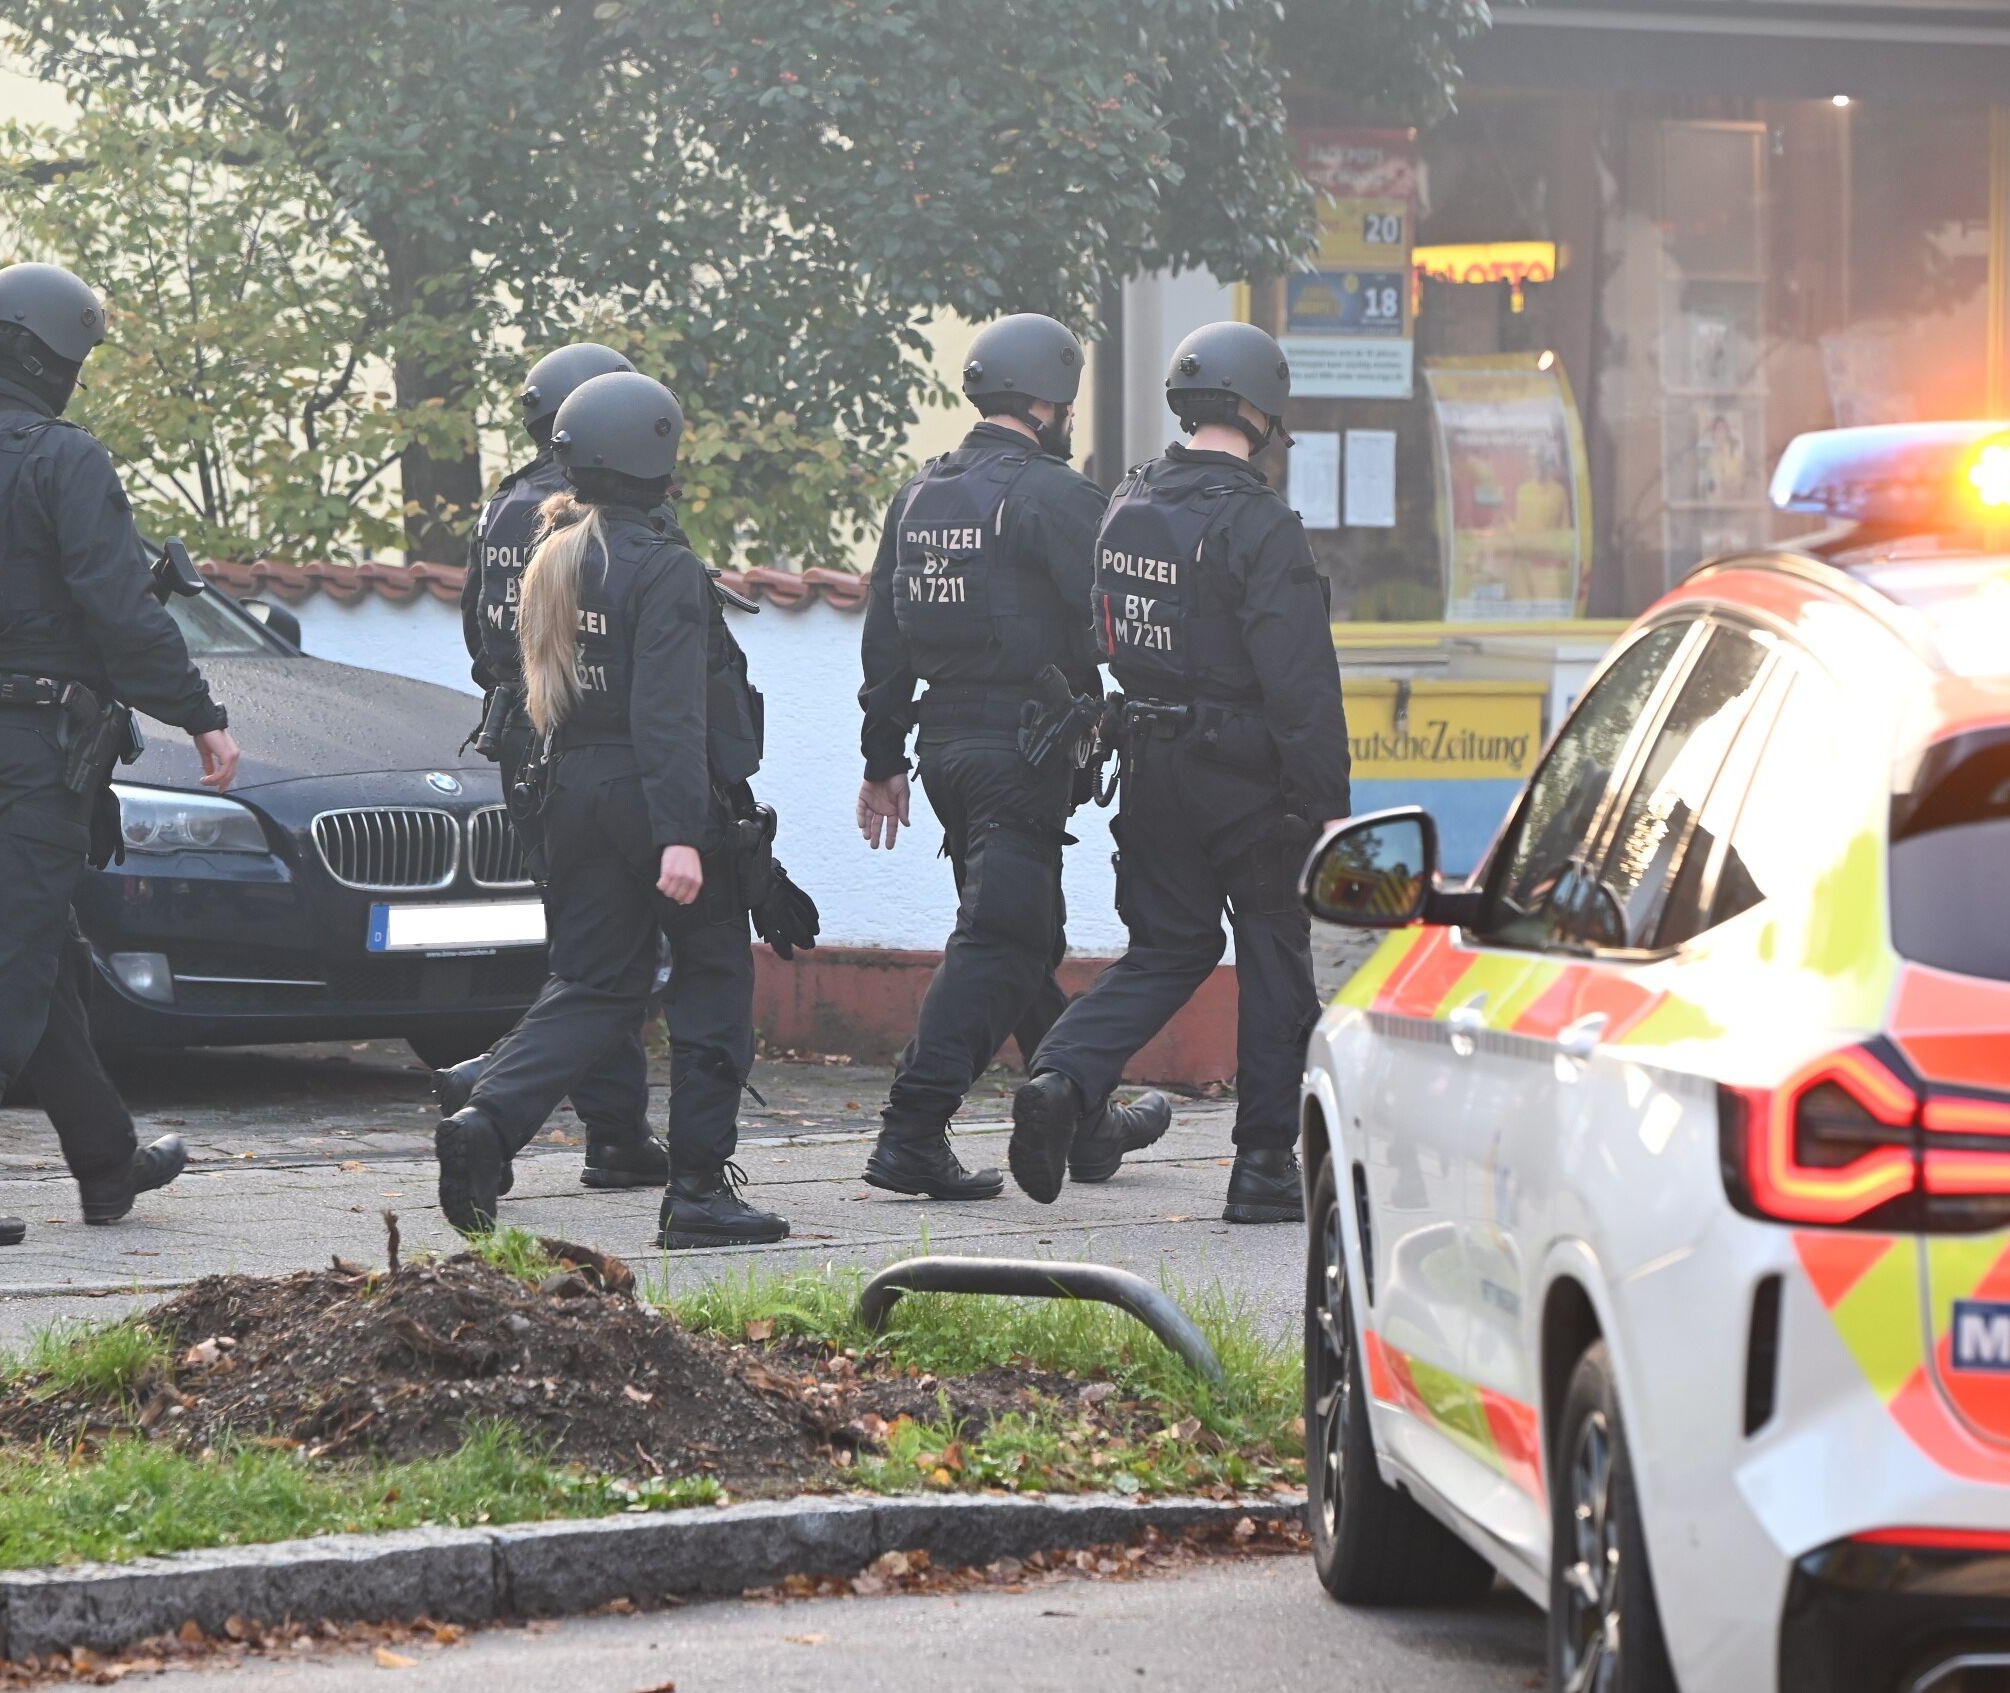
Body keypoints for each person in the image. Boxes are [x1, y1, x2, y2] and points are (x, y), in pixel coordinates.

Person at [434, 371, 789, 1249]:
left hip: (574, 791)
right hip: (655, 798)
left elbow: (540, 688)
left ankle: (487, 1122)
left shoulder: (559, 552)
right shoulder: (663, 568)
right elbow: (669, 714)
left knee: (594, 983)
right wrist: (681, 835)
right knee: (713, 985)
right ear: (656, 455)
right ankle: (701, 1193)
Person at [1009, 322, 1350, 1224]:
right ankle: (1265, 1168)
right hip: (1248, 778)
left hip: (1150, 760)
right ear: (1259, 411)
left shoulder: (1126, 501)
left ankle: (1061, 1076)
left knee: (1169, 946)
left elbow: (1104, 627)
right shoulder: (1262, 524)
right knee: (1276, 959)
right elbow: (1302, 686)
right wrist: (1325, 806)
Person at [0, 262, 234, 1245]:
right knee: (1, 951)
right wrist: (201, 713)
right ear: (57, 356)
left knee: (37, 947)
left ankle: (108, 1162)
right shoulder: (66, 460)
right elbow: (121, 612)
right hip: (38, 745)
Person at [856, 314, 1173, 1201]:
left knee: (1026, 932)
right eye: (1066, 403)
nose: (1070, 418)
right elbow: (1120, 620)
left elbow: (885, 641)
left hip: (946, 752)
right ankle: (911, 1132)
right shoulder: (1051, 495)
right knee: (1000, 937)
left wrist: (884, 760)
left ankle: (1087, 1122)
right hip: (1019, 755)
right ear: (1045, 401)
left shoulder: (920, 497)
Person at [436, 341, 670, 1193]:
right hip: (597, 745)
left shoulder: (502, 511)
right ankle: (505, 1090)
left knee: (583, 942)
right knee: (611, 954)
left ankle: (614, 1133)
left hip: (518, 741)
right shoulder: (595, 514)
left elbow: (476, 632)